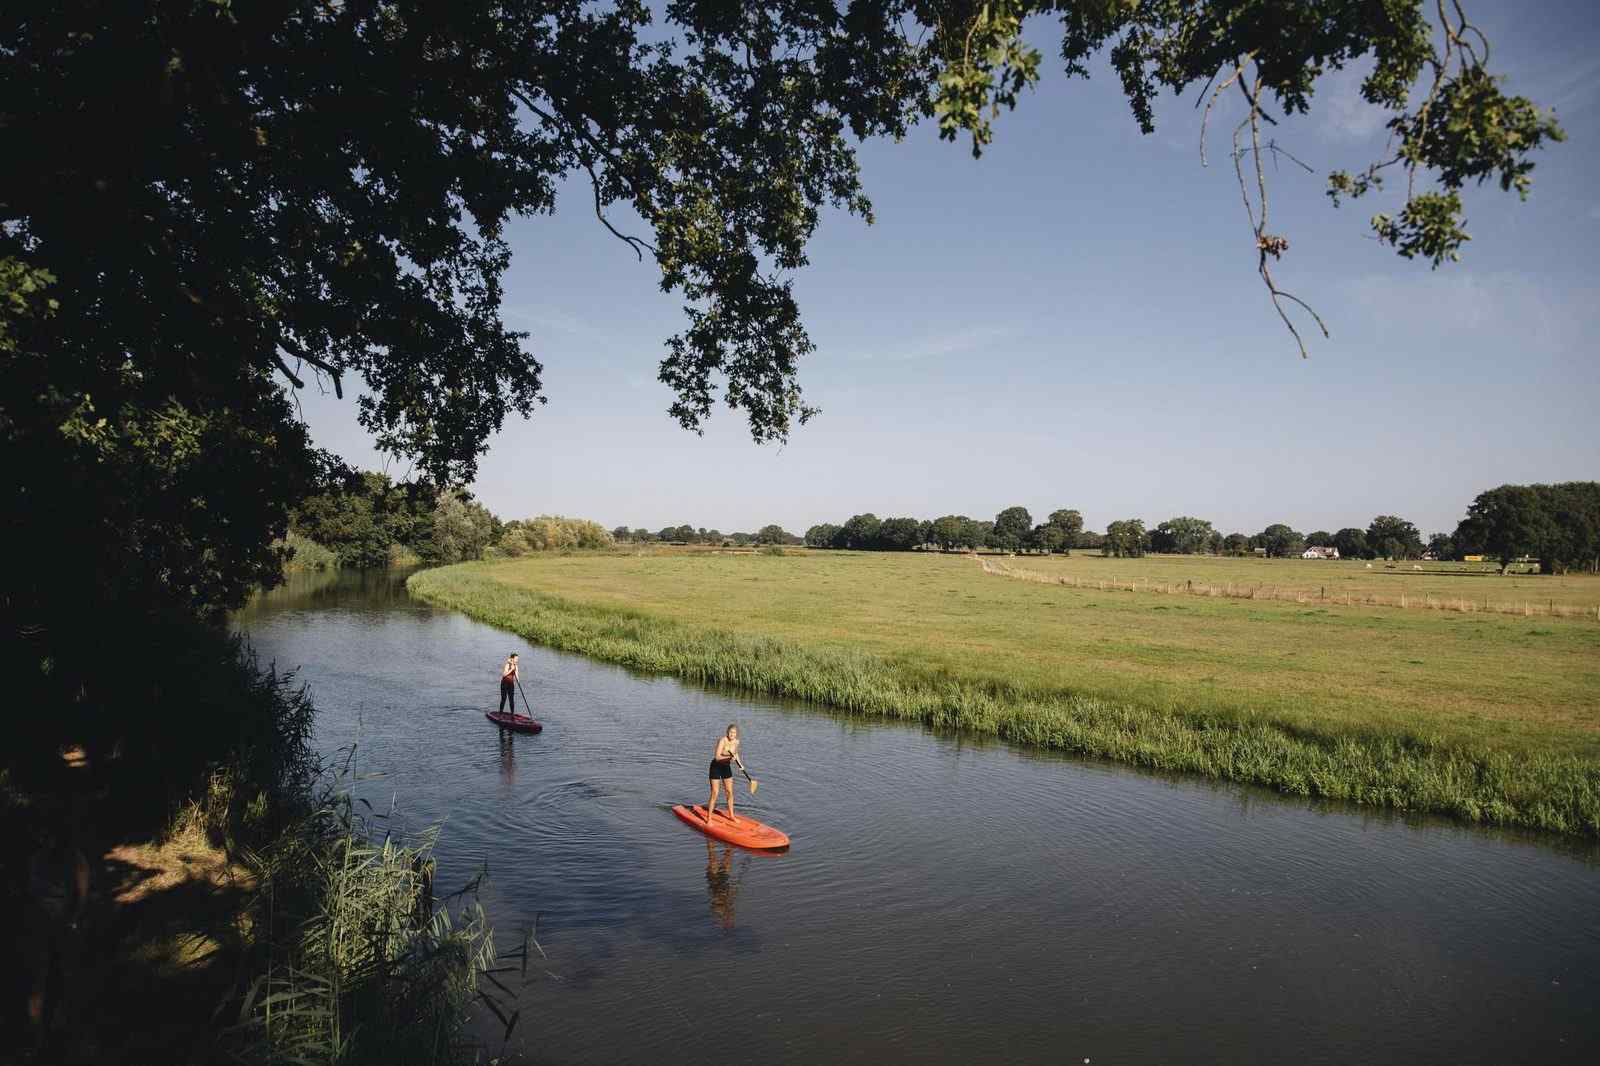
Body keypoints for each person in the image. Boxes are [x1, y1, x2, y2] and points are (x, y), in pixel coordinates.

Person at [705, 723, 747, 822]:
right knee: (715, 792)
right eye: (730, 732)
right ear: (727, 732)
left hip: (726, 767)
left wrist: (740, 765)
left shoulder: (736, 742)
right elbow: (717, 757)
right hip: (716, 767)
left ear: (737, 734)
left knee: (729, 792)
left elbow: (735, 754)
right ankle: (709, 818)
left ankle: (731, 816)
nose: (732, 734)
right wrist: (729, 757)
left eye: (734, 732)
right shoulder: (722, 741)